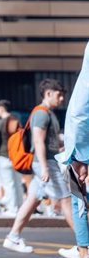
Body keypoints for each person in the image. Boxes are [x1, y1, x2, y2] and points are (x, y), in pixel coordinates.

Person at [3, 78, 74, 253]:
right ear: (48, 93)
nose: (62, 99)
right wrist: (44, 167)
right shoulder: (41, 114)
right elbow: (38, 141)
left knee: (31, 200)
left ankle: (13, 237)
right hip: (45, 163)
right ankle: (85, 246)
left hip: (47, 162)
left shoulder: (49, 114)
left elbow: (49, 141)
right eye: (59, 95)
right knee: (66, 200)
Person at [57, 41, 89, 258]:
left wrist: (78, 156)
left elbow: (78, 113)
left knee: (80, 200)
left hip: (83, 149)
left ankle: (84, 251)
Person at [0, 100, 23, 215]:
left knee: (9, 184)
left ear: (1, 108)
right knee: (18, 182)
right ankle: (20, 207)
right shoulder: (17, 120)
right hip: (17, 156)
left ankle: (12, 209)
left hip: (4, 156)